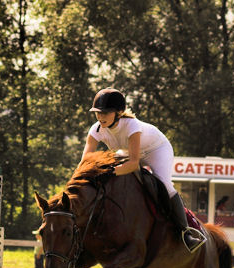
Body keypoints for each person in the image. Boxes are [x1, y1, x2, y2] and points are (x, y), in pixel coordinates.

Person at [80, 88, 206, 253]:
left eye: (105, 112)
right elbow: (84, 162)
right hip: (127, 152)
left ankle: (186, 232)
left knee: (165, 186)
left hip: (156, 150)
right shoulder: (96, 130)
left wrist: (108, 173)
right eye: (98, 113)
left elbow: (133, 164)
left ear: (119, 113)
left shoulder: (131, 125)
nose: (100, 117)